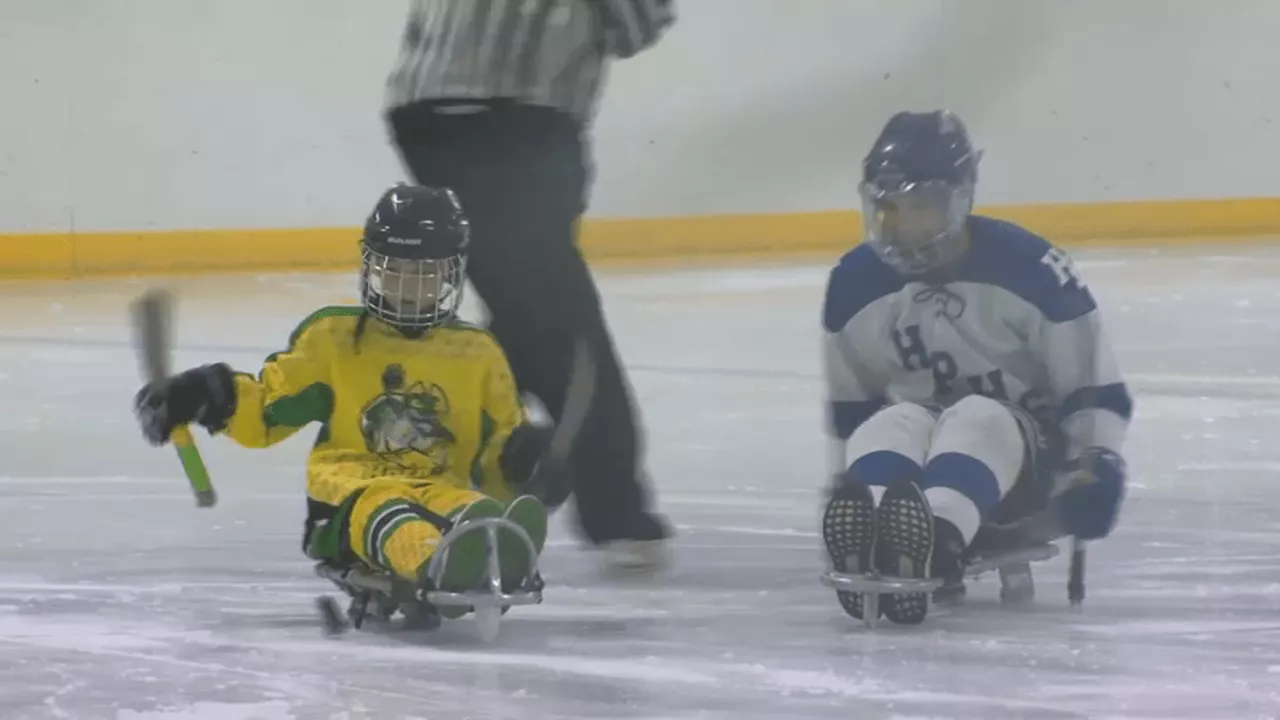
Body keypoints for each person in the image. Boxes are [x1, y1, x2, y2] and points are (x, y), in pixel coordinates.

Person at [133, 185, 563, 620]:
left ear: (451, 273)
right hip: (347, 498)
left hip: (439, 488)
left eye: (426, 273)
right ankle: (438, 562)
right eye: (395, 270)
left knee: (470, 511)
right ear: (372, 267)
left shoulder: (477, 354)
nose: (409, 288)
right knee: (392, 513)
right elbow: (266, 410)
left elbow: (495, 452)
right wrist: (205, 394)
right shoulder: (334, 340)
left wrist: (524, 459)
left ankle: (492, 549)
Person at [380, 0, 677, 572]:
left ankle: (440, 461)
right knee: (563, 319)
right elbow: (638, 25)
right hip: (520, 120)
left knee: (527, 306)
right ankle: (612, 509)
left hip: (425, 110)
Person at [819, 110, 1132, 625]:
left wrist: (1097, 461)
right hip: (923, 458)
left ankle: (935, 542)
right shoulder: (854, 282)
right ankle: (880, 531)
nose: (900, 225)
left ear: (959, 198)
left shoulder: (1031, 269)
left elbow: (1090, 384)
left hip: (1028, 470)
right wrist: (845, 480)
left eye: (920, 206)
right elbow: (853, 409)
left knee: (979, 417)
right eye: (888, 208)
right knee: (890, 423)